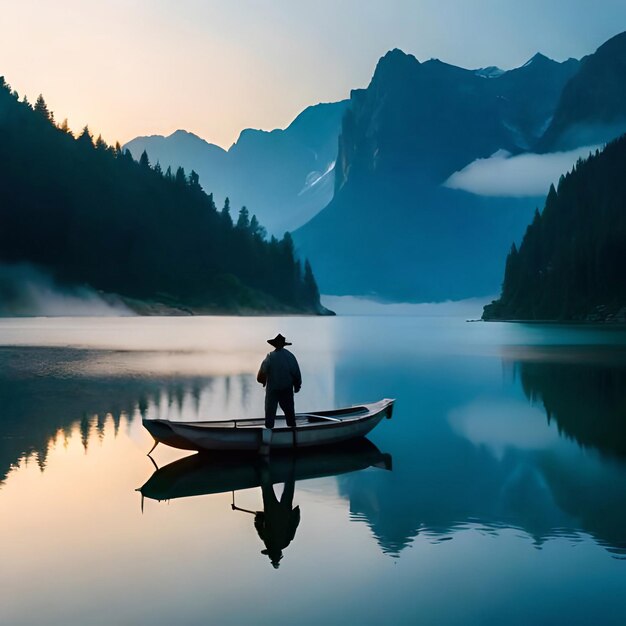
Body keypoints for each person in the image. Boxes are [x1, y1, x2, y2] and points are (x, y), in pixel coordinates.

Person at [257, 333, 302, 431]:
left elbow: (262, 373)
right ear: (283, 345)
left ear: (274, 345)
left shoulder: (270, 356)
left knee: (270, 413)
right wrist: (297, 386)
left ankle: (268, 433)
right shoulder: (290, 356)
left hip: (273, 390)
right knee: (289, 413)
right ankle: (292, 433)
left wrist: (263, 381)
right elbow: (296, 373)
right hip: (286, 389)